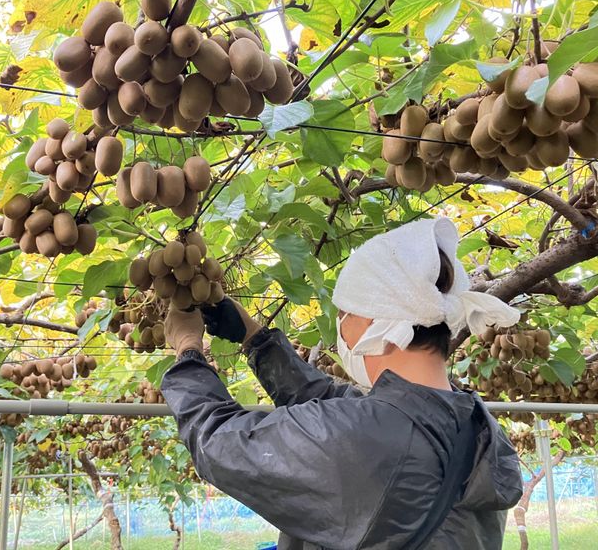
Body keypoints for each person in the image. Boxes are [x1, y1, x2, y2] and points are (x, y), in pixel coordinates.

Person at [160, 218, 524, 550]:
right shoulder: (477, 427)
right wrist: (254, 337)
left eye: (345, 313)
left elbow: (218, 442)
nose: (342, 326)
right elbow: (336, 404)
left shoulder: (364, 439)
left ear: (370, 320)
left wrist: (188, 351)